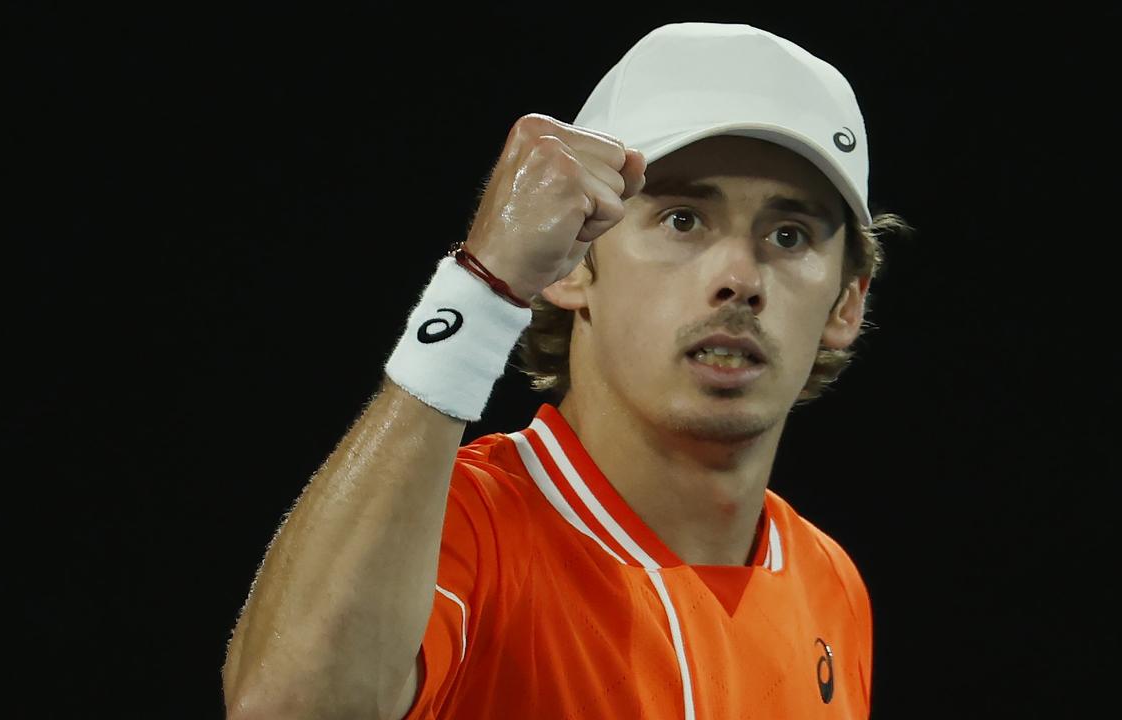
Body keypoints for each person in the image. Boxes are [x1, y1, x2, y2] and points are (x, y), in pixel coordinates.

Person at [223, 21, 910, 720]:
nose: (740, 277)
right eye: (681, 218)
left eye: (788, 235)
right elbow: (285, 709)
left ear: (847, 303)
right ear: (576, 259)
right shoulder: (461, 528)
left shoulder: (831, 585)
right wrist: (482, 288)